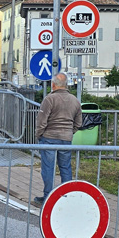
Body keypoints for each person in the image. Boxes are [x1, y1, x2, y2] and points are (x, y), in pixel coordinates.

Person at [34, 72, 83, 207]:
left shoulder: (49, 99)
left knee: (48, 168)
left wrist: (39, 135)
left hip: (49, 138)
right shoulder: (75, 100)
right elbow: (79, 122)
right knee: (65, 167)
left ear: (53, 84)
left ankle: (48, 197)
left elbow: (41, 121)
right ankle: (67, 196)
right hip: (66, 138)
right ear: (66, 85)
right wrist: (69, 132)